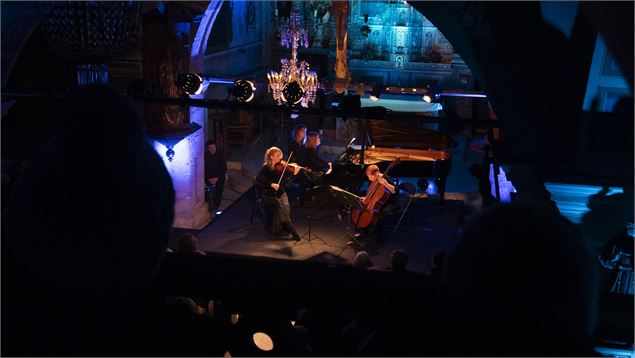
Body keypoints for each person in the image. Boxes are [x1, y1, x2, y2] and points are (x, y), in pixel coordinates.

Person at [255, 147, 302, 241]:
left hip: (281, 193)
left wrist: (293, 173)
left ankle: (285, 229)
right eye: (277, 156)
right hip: (269, 194)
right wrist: (271, 184)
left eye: (280, 155)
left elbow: (286, 182)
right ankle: (291, 230)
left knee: (286, 209)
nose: (280, 158)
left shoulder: (281, 167)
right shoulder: (266, 168)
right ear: (271, 157)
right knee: (280, 207)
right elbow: (258, 181)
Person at [352, 164, 398, 243]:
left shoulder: (386, 178)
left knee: (381, 215)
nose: (369, 179)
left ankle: (377, 236)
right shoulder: (374, 181)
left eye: (370, 177)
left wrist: (386, 184)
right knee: (362, 208)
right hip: (377, 202)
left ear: (376, 174)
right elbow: (372, 194)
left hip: (389, 203)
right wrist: (366, 198)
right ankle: (363, 232)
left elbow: (395, 191)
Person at [204, 139, 227, 212]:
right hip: (209, 177)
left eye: (213, 147)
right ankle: (208, 204)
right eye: (210, 147)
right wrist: (209, 179)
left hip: (218, 177)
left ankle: (216, 205)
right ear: (208, 148)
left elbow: (224, 169)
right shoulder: (205, 155)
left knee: (219, 190)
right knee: (207, 192)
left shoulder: (220, 155)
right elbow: (204, 169)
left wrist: (216, 178)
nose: (212, 149)